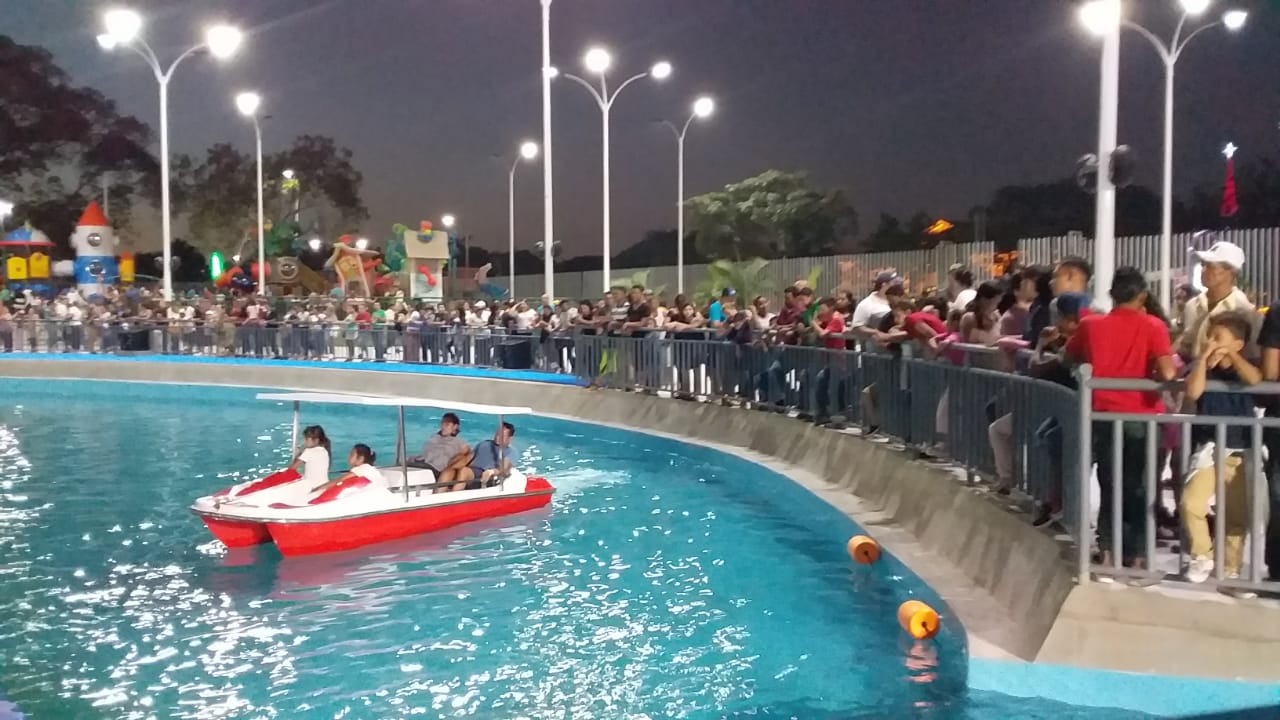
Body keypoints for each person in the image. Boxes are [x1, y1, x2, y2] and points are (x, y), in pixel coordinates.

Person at [1065, 266, 1177, 573]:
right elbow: (1168, 372)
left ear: (1112, 294)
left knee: (1110, 483)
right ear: (1142, 295)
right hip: (1143, 417)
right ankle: (1140, 556)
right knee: (1141, 487)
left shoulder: (1090, 325)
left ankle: (1109, 552)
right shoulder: (1154, 326)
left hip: (1103, 414)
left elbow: (1068, 355)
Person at [1179, 311, 1262, 587]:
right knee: (1191, 502)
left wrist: (1232, 356)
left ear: (1238, 343)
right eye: (1209, 335)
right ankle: (1202, 555)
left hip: (1240, 448)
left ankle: (1232, 568)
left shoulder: (1247, 362)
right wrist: (1203, 359)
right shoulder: (1202, 365)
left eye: (1218, 337)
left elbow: (1255, 380)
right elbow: (1192, 392)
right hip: (1209, 447)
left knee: (1236, 513)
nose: (1211, 341)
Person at [1177, 240, 1254, 361]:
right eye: (1203, 265)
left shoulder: (1243, 309)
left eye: (1211, 266)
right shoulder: (1192, 305)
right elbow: (1185, 344)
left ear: (1231, 272)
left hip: (1225, 378)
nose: (1203, 270)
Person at [408, 413, 475, 492]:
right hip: (420, 462)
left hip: (435, 468)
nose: (443, 426)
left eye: (447, 424)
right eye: (442, 423)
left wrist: (454, 465)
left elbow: (469, 456)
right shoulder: (434, 437)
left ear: (455, 427)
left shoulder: (460, 443)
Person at [456, 422, 517, 490]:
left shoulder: (510, 452)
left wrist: (492, 471)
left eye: (502, 435)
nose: (497, 436)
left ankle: (453, 497)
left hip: (484, 477)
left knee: (464, 471)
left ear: (510, 438)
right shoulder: (484, 443)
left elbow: (504, 469)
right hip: (471, 471)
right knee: (450, 471)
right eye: (497, 433)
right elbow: (469, 458)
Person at [313, 443, 387, 494]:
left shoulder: (362, 469)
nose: (348, 457)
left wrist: (318, 488)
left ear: (360, 459)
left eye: (352, 455)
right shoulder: (371, 469)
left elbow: (340, 480)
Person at [286, 425, 332, 490]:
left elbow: (292, 468)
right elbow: (313, 464)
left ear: (316, 440)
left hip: (312, 487)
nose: (305, 442)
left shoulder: (309, 451)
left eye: (306, 439)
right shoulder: (324, 451)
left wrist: (298, 454)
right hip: (324, 486)